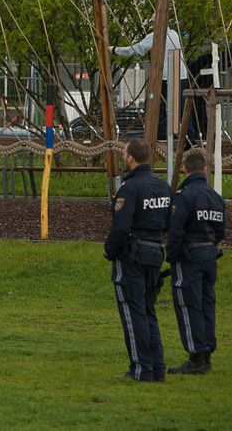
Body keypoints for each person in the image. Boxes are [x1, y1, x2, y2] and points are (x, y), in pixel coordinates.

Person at [103, 138, 172, 382]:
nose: (124, 158)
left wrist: (109, 251)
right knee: (148, 311)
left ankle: (141, 369)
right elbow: (168, 222)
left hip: (132, 257)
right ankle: (157, 368)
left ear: (130, 158)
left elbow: (121, 227)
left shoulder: (129, 188)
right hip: (154, 254)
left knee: (134, 314)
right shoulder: (162, 186)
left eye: (124, 154)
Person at [166, 150, 226, 375]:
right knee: (206, 305)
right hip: (209, 256)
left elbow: (175, 231)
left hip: (188, 258)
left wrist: (172, 256)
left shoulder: (184, 196)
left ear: (185, 170)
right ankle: (207, 353)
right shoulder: (216, 198)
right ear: (204, 169)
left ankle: (196, 356)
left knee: (188, 305)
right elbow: (220, 231)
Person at [111, 27, 195, 142]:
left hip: (166, 77)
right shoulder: (174, 33)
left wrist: (115, 50)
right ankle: (189, 136)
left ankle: (160, 134)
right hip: (181, 75)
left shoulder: (156, 35)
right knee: (179, 107)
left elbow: (137, 49)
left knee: (154, 104)